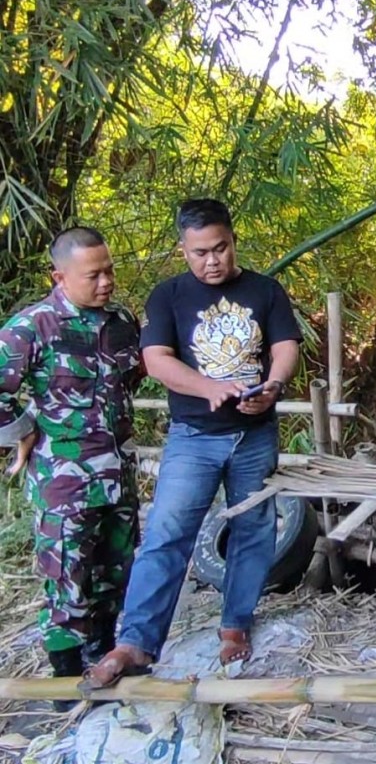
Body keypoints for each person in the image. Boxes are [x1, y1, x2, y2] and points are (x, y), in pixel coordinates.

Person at [83, 198, 301, 688]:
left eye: (220, 248)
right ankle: (135, 642)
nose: (212, 260)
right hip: (193, 438)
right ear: (183, 249)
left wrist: (273, 387)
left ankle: (235, 624)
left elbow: (284, 348)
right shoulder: (168, 297)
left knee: (253, 529)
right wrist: (209, 388)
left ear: (233, 240)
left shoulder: (265, 290)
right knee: (166, 535)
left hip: (254, 434)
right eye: (200, 252)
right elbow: (156, 359)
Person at [0, 227, 143, 707]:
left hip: (116, 475)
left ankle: (103, 662)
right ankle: (65, 682)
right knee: (68, 579)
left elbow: (134, 381)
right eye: (93, 275)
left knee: (115, 573)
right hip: (64, 480)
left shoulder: (122, 321)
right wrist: (22, 430)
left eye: (109, 271)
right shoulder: (33, 327)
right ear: (59, 276)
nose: (106, 282)